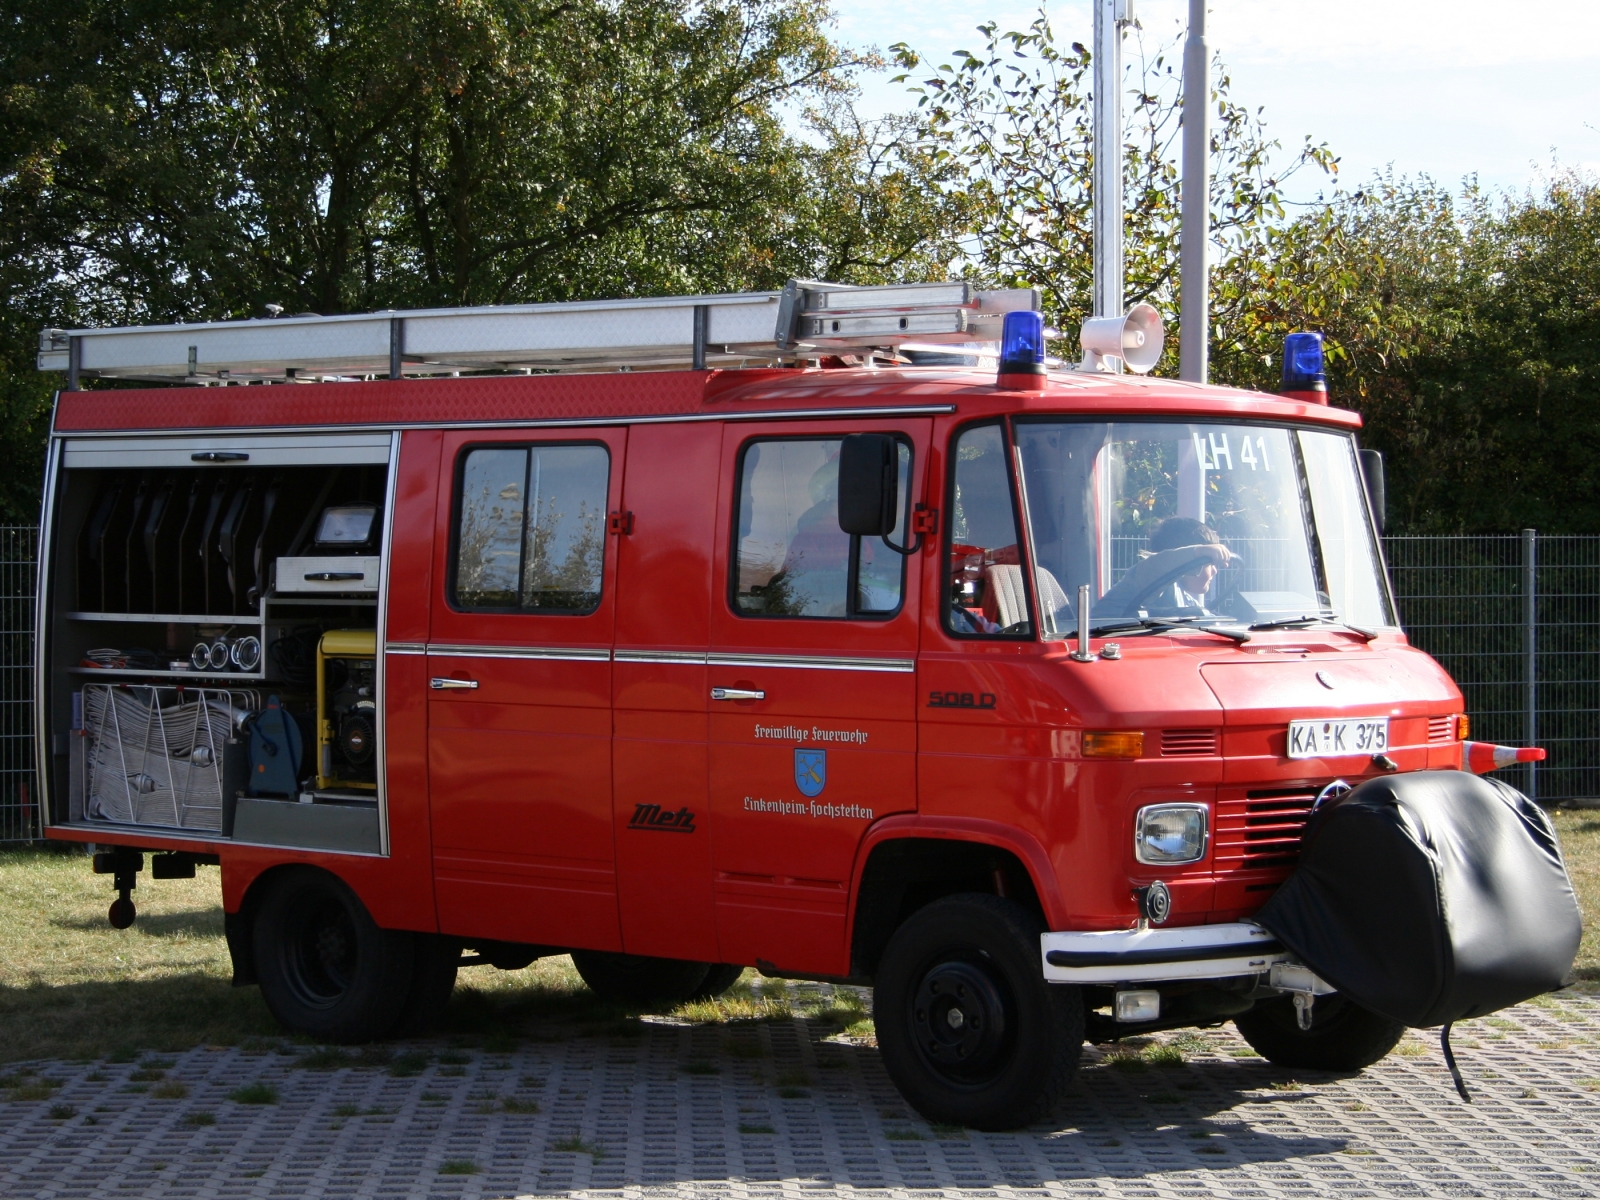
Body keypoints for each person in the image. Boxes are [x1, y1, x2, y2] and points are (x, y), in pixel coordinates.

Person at [1146, 516, 1227, 611]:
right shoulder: (1148, 586)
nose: (1215, 571)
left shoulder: (1189, 602)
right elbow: (1157, 566)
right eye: (1209, 564)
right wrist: (1197, 552)